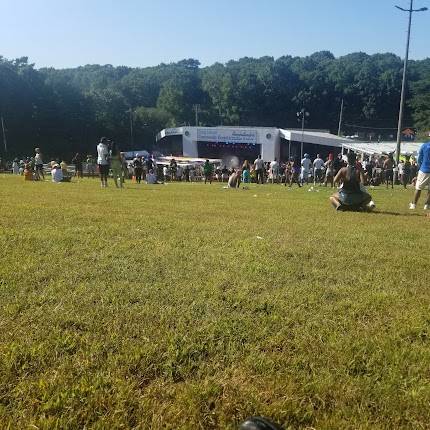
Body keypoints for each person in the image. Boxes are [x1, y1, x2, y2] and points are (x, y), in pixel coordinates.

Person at [409, 140, 430, 210]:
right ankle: (427, 205)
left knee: (418, 188)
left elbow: (419, 159)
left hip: (424, 169)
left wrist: (420, 168)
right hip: (425, 169)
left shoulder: (424, 145)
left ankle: (413, 204)